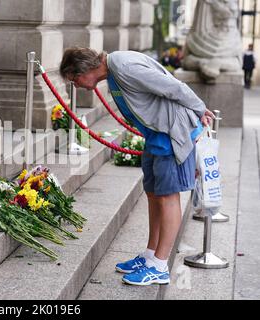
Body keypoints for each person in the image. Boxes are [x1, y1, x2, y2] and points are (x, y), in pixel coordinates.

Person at [60, 47, 214, 286]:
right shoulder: (113, 71)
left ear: (84, 69)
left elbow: (172, 86)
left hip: (171, 133)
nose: (75, 85)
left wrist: (200, 108)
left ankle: (160, 266)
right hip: (157, 135)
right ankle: (151, 255)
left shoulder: (123, 66)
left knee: (168, 197)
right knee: (154, 194)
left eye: (74, 79)